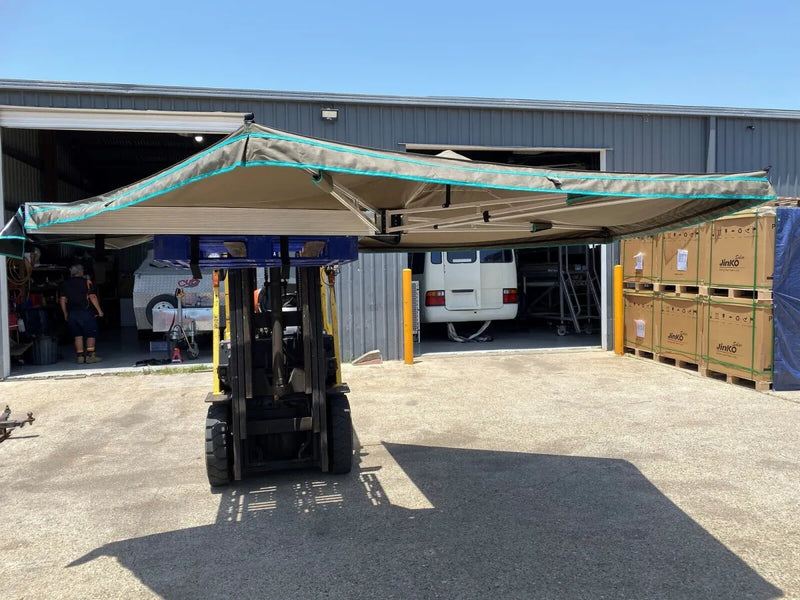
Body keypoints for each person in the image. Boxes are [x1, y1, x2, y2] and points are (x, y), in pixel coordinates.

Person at [59, 264, 104, 364]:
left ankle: (80, 357)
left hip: (72, 314)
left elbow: (62, 300)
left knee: (77, 335)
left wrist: (65, 313)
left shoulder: (65, 284)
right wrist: (99, 310)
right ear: (81, 272)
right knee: (91, 334)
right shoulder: (87, 282)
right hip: (86, 313)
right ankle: (90, 356)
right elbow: (92, 297)